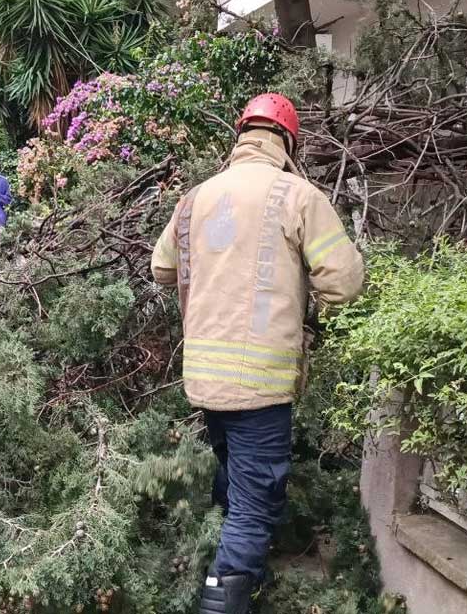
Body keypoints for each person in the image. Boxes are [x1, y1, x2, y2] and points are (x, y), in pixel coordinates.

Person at [150, 93, 364, 614]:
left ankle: (245, 586)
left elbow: (161, 269)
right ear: (288, 141)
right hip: (260, 383)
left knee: (233, 483)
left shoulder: (195, 197)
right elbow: (347, 282)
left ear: (241, 135)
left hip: (203, 377)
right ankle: (223, 602)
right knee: (254, 503)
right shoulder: (297, 195)